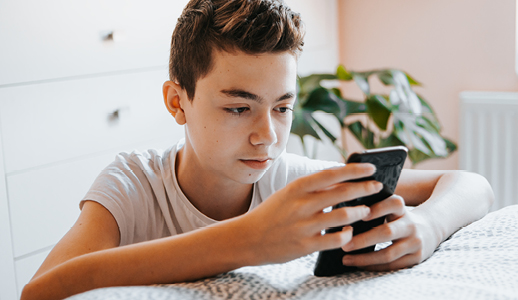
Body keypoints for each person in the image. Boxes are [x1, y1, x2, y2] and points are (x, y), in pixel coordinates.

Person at [20, 1, 494, 299]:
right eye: (237, 108)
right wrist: (250, 240)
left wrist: (429, 225)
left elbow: (472, 185)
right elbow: (39, 292)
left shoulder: (286, 178)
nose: (267, 136)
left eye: (282, 108)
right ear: (176, 101)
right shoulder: (131, 184)